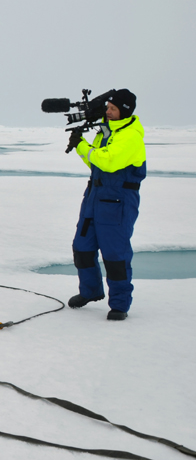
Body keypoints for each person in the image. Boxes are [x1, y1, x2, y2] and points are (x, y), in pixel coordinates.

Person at [67, 89, 145, 320]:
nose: (107, 112)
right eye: (107, 108)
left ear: (125, 111)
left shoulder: (130, 136)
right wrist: (80, 145)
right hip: (94, 197)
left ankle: (120, 304)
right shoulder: (107, 132)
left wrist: (83, 147)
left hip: (118, 202)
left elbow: (108, 162)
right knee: (82, 247)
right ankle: (90, 292)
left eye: (112, 109)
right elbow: (96, 164)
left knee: (115, 255)